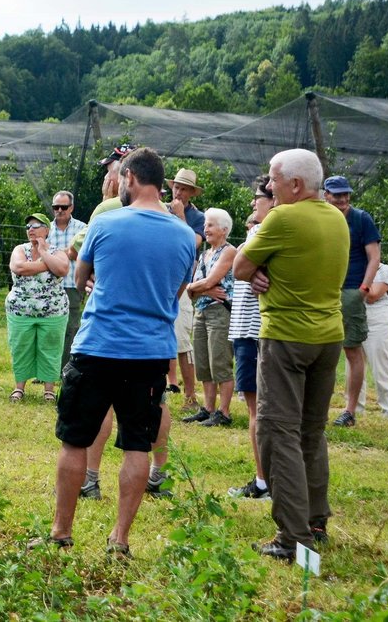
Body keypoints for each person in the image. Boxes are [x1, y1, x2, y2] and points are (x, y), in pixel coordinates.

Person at [34, 147, 196, 556]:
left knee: (74, 441)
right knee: (138, 446)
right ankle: (119, 539)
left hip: (98, 346)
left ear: (130, 179)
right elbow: (177, 292)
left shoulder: (105, 223)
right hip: (150, 354)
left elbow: (82, 277)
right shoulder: (184, 236)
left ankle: (60, 532)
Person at [233, 148, 348, 561]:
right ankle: (317, 522)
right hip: (329, 338)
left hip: (285, 337)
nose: (269, 186)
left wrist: (260, 273)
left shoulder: (282, 218)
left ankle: (292, 540)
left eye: (273, 179)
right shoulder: (338, 218)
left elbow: (241, 268)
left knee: (276, 432)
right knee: (311, 433)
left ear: (295, 185)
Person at [227, 176, 275, 500]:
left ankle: (264, 483)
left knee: (258, 412)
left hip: (253, 331)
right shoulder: (256, 232)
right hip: (249, 329)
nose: (253, 203)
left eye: (258, 197)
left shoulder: (264, 232)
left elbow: (236, 266)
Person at [322, 175, 381, 427]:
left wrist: (363, 288)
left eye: (345, 194)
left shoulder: (360, 219)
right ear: (326, 195)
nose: (342, 199)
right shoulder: (321, 218)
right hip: (323, 290)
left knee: (352, 349)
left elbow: (374, 256)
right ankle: (319, 409)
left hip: (350, 290)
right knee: (322, 350)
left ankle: (349, 410)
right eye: (337, 195)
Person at [5, 213, 69, 402]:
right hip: (20, 310)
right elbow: (19, 268)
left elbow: (63, 269)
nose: (30, 229)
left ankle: (49, 390)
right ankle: (19, 388)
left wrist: (43, 253)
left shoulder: (58, 251)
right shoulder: (19, 249)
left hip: (53, 312)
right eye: (28, 227)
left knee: (50, 349)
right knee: (20, 347)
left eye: (36, 225)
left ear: (47, 230)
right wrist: (48, 265)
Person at [183, 208, 238, 427]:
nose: (206, 228)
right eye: (205, 224)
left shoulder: (229, 252)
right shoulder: (205, 254)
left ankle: (224, 412)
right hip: (202, 311)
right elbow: (192, 289)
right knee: (203, 362)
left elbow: (208, 281)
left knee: (220, 362)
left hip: (219, 312)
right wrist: (201, 289)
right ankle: (208, 408)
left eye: (211, 225)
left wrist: (199, 288)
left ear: (224, 230)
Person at [167, 168, 206, 412]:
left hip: (181, 285)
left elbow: (192, 245)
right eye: (176, 187)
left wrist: (180, 217)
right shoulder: (159, 209)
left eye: (183, 188)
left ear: (192, 193)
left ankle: (191, 396)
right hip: (159, 282)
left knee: (182, 341)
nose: (178, 192)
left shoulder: (198, 217)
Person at [47, 190, 87, 372]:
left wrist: (55, 254)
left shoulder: (82, 228)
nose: (59, 211)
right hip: (49, 286)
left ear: (71, 208)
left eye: (63, 207)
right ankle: (47, 369)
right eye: (56, 207)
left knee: (71, 329)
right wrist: (67, 253)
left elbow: (83, 255)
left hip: (72, 285)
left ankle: (65, 368)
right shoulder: (45, 229)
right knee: (50, 328)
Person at [359, 262, 388, 421]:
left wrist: (353, 278)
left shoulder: (383, 269)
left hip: (379, 321)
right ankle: (353, 410)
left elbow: (372, 295)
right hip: (356, 319)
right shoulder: (352, 266)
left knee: (381, 368)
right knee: (353, 368)